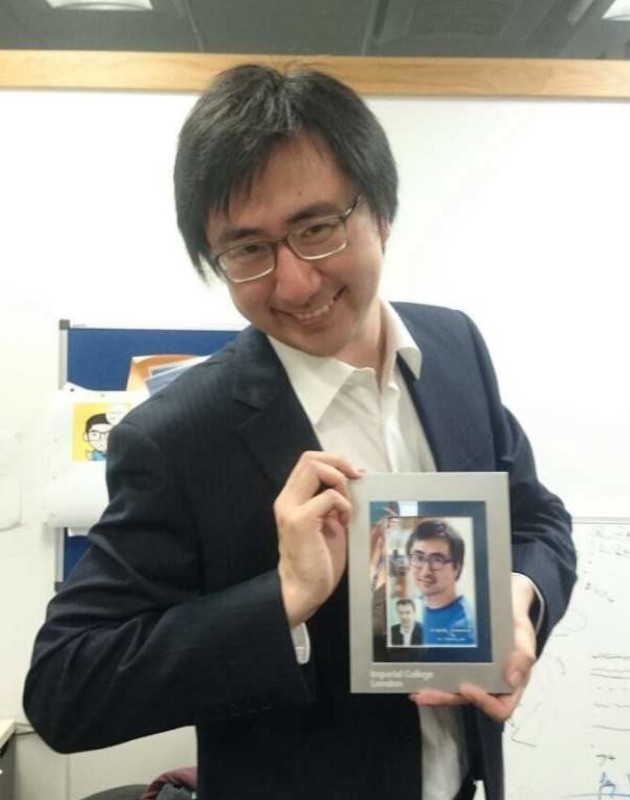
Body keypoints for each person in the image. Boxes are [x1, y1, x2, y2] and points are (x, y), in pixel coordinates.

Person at [23, 64, 576, 800]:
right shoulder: (180, 438)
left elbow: (536, 517)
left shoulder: (454, 350)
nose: (295, 283)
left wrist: (518, 597)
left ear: (382, 213)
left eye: (317, 229)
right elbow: (64, 688)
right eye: (248, 250)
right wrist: (283, 597)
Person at [407, 520, 475, 646]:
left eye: (437, 560)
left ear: (457, 568)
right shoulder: (413, 610)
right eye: (418, 558)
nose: (425, 571)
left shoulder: (463, 631)